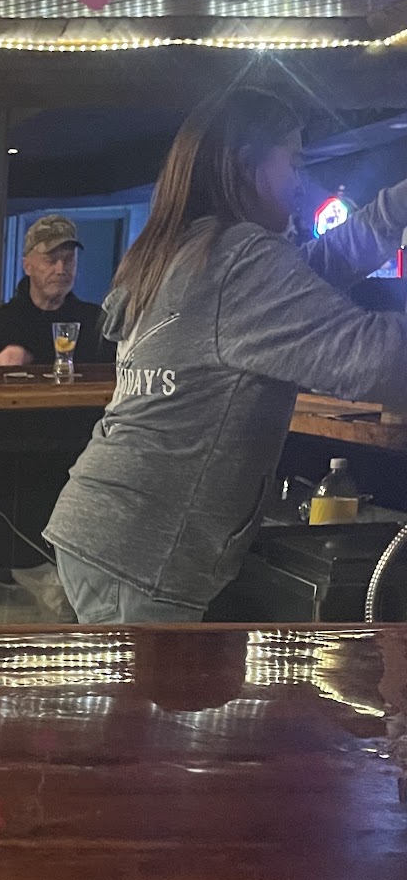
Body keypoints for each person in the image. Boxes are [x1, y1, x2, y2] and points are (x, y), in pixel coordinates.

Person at [44, 87, 407, 624]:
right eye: (294, 162)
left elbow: (315, 269)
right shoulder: (239, 260)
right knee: (149, 685)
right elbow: (377, 361)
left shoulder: (189, 248)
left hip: (108, 524)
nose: (299, 181)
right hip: (145, 548)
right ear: (247, 165)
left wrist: (396, 206)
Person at [0, 215, 113, 367]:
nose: (61, 269)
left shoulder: (97, 324)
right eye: (51, 260)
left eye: (69, 260)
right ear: (27, 266)